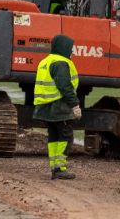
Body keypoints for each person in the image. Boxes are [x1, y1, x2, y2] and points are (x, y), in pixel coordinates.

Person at [33, 34, 82, 180]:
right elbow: (65, 86)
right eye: (70, 48)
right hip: (58, 105)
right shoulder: (61, 62)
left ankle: (54, 167)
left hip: (45, 105)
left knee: (54, 135)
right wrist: (75, 104)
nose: (72, 51)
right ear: (63, 48)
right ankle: (60, 167)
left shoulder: (46, 61)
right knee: (66, 135)